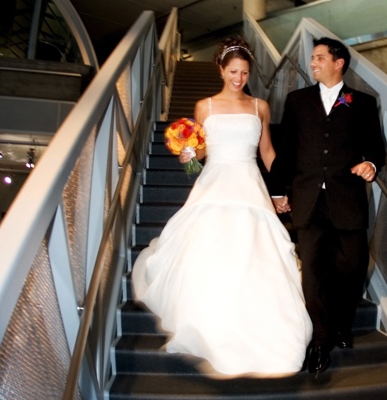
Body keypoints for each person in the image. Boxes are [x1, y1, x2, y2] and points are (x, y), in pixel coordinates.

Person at [131, 37, 312, 377]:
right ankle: (210, 322)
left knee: (256, 255)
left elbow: (268, 154)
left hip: (249, 184)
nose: (238, 78)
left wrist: (284, 188)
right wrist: (187, 157)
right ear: (221, 69)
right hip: (214, 182)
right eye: (233, 71)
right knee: (212, 253)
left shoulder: (260, 106)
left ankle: (262, 328)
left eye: (244, 72)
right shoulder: (205, 107)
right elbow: (197, 158)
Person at [270, 37, 386, 377]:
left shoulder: (362, 103)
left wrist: (371, 165)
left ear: (340, 63)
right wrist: (278, 190)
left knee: (352, 265)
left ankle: (340, 323)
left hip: (347, 198)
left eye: (320, 57)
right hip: (307, 200)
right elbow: (285, 149)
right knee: (315, 273)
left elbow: (375, 148)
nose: (313, 63)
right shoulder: (297, 101)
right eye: (313, 58)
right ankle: (320, 341)